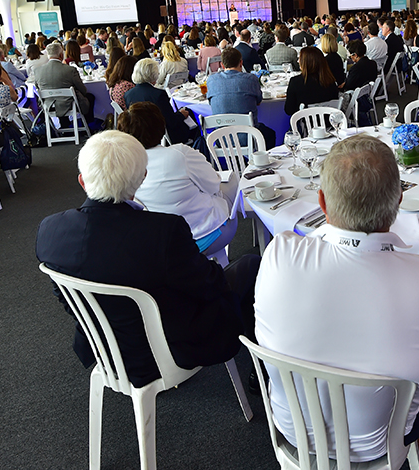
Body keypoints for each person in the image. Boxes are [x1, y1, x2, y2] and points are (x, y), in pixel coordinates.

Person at [254, 134, 419, 461]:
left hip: (292, 429)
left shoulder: (278, 254)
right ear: (397, 203)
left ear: (322, 203)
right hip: (380, 444)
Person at [35, 130, 259, 389]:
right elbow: (208, 285)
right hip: (169, 351)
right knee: (250, 265)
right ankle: (262, 371)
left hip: (105, 349)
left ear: (82, 181)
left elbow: (67, 300)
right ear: (142, 178)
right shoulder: (163, 231)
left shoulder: (49, 230)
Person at [117, 102, 235, 252]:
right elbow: (213, 185)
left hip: (164, 244)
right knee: (231, 182)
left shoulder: (125, 167)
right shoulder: (180, 154)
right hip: (206, 236)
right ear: (161, 126)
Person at [206, 47, 275, 148]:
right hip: (249, 137)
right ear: (241, 63)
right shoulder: (251, 79)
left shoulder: (211, 80)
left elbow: (211, 102)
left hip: (222, 138)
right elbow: (258, 101)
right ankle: (263, 161)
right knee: (270, 133)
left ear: (222, 64)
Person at [124, 58, 196, 146]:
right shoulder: (158, 95)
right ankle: (197, 148)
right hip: (163, 136)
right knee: (191, 116)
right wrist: (181, 114)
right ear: (153, 74)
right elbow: (171, 121)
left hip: (141, 136)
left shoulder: (128, 94)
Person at [32, 42, 95, 125]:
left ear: (48, 55)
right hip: (68, 104)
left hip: (48, 105)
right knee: (90, 97)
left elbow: (38, 89)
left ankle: (64, 125)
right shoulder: (70, 70)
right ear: (61, 55)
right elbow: (83, 90)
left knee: (59, 99)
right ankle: (88, 124)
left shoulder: (37, 71)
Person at [284, 47, 340, 116]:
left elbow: (289, 110)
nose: (298, 61)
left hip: (306, 124)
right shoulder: (330, 81)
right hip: (329, 123)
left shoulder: (295, 82)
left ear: (305, 62)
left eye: (300, 59)